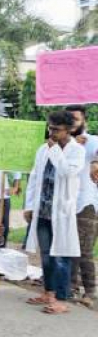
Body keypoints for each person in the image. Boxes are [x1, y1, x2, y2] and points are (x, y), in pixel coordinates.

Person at [24, 111, 85, 315]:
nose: (52, 133)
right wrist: (29, 206)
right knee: (47, 256)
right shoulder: (43, 149)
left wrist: (56, 151)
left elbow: (67, 172)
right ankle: (48, 292)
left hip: (62, 213)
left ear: (68, 130)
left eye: (56, 129)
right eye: (50, 128)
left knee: (61, 256)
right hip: (42, 211)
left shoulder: (77, 151)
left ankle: (61, 299)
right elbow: (34, 178)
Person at [65, 105, 98, 305]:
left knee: (85, 250)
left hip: (86, 203)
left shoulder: (93, 141)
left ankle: (90, 291)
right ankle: (70, 287)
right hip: (66, 202)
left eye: (76, 119)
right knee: (68, 247)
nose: (73, 122)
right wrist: (71, 146)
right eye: (69, 119)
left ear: (84, 121)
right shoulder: (62, 143)